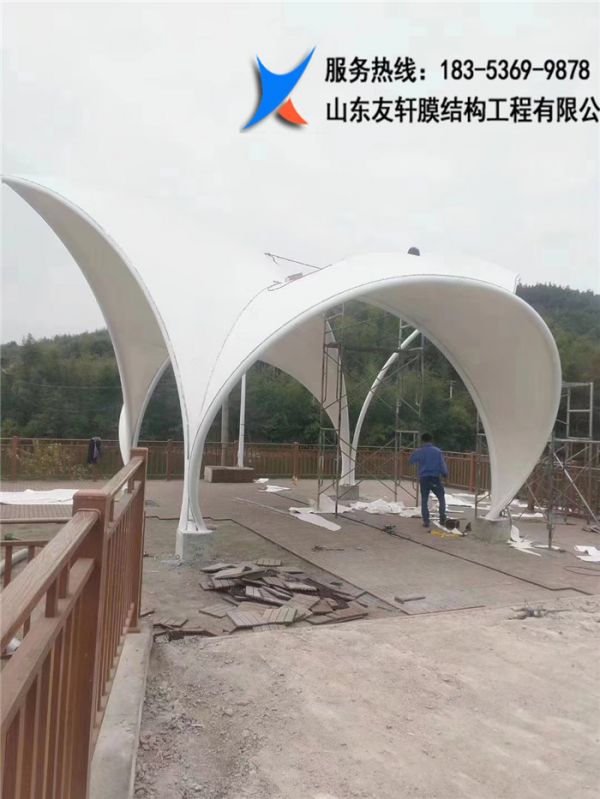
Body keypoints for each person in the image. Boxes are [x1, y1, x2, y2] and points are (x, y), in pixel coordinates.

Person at [409, 433, 448, 528]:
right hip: (435, 478)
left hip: (424, 478)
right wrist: (445, 474)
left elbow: (411, 460)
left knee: (424, 499)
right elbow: (442, 464)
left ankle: (426, 521)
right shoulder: (437, 451)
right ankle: (442, 518)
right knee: (441, 497)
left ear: (422, 440)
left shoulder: (420, 451)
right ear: (431, 440)